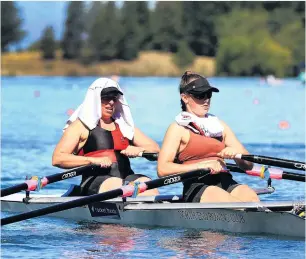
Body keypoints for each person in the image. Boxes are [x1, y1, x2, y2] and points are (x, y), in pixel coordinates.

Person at [157, 71, 260, 203]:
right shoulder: (178, 129)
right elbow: (162, 169)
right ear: (185, 97)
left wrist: (237, 155)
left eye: (208, 94)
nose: (206, 100)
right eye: (200, 95)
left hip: (226, 181)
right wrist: (202, 165)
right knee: (224, 199)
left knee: (250, 196)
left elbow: (248, 165)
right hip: (197, 186)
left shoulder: (220, 126)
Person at [52, 77, 160, 196]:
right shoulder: (80, 126)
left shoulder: (124, 126)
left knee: (148, 185)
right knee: (118, 185)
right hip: (94, 181)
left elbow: (156, 149)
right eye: (106, 98)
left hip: (126, 179)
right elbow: (58, 158)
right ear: (95, 100)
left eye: (114, 99)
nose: (111, 103)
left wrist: (140, 149)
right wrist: (92, 160)